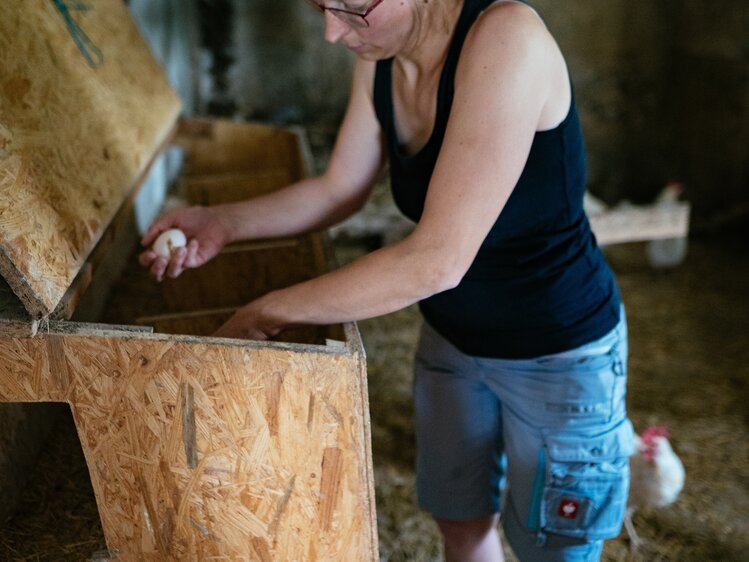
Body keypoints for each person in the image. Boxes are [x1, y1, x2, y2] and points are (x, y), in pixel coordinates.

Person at [139, 1, 635, 560]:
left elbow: (437, 260)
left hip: (556, 352)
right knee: (461, 523)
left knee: (553, 548)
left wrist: (269, 310)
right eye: (321, 7)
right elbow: (338, 188)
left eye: (350, 9)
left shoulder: (506, 39)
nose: (331, 32)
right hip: (452, 341)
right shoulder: (382, 56)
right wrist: (224, 222)